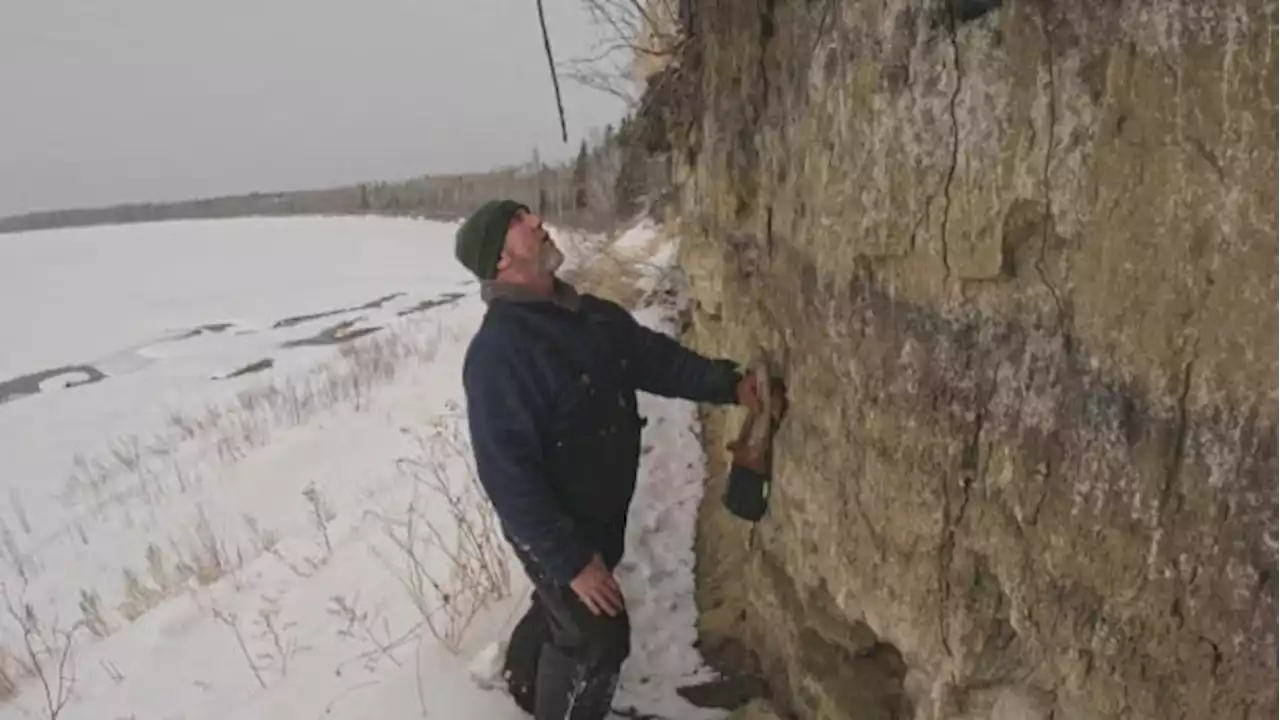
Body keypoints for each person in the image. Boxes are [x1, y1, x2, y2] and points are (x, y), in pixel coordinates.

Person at [455, 199, 774, 719]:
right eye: (519, 223)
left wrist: (731, 386)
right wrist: (572, 561)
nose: (538, 222)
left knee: (563, 613)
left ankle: (519, 679)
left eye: (529, 213)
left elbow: (656, 361)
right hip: (552, 528)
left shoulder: (590, 317)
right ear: (499, 262)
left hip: (599, 515)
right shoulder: (499, 355)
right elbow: (508, 478)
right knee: (597, 639)